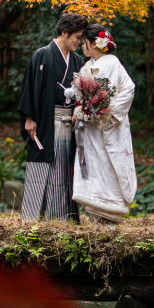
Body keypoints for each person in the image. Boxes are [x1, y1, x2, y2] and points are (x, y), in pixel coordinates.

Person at [18, 12, 89, 221]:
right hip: (46, 122)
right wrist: (29, 118)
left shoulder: (77, 61)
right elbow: (30, 88)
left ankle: (59, 219)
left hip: (69, 123)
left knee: (63, 170)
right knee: (41, 167)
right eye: (77, 37)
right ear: (64, 33)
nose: (79, 41)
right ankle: (31, 219)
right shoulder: (42, 55)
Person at [71, 24, 137, 223]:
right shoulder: (86, 66)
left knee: (109, 165)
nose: (82, 46)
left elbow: (129, 89)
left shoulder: (113, 63)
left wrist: (110, 112)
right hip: (91, 129)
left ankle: (112, 212)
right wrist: (80, 110)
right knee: (93, 165)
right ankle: (96, 215)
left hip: (109, 126)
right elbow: (79, 95)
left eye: (85, 42)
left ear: (95, 44)